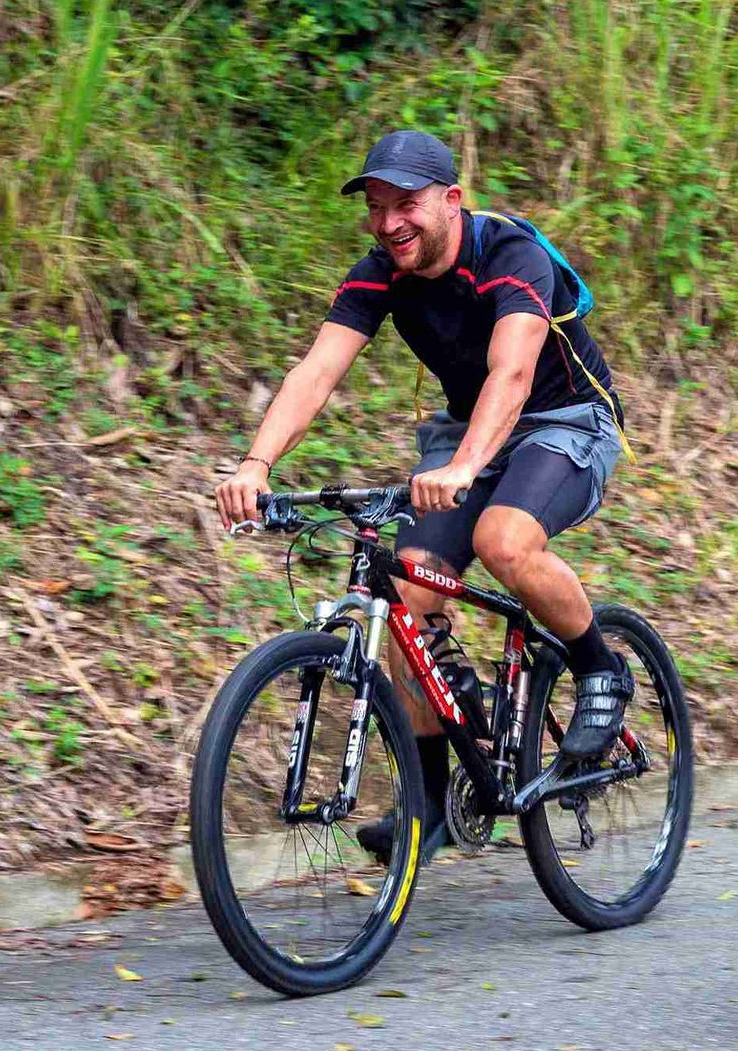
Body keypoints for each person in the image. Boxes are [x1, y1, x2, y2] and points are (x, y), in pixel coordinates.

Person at [215, 130, 631, 862]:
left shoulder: (510, 255)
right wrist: (256, 464)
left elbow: (512, 376)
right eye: (376, 208)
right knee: (406, 592)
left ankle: (600, 668)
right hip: (471, 436)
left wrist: (467, 465)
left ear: (451, 201)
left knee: (505, 540)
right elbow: (317, 371)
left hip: (567, 422)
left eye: (405, 204)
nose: (388, 223)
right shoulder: (381, 273)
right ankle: (435, 802)